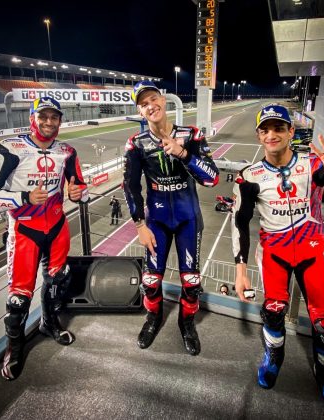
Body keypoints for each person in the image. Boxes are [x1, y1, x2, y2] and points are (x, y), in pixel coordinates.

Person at [231, 104, 324, 417]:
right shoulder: (249, 177)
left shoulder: (315, 165)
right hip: (274, 255)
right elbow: (239, 223)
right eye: (265, 129)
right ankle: (274, 358)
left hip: (312, 253)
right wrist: (240, 270)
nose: (271, 135)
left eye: (278, 128)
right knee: (273, 313)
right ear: (259, 135)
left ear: (290, 131)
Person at [0, 96, 89, 380]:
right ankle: (14, 348)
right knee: (18, 299)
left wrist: (79, 194)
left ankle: (49, 323)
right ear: (32, 119)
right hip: (24, 230)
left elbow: (81, 188)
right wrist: (24, 197)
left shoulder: (68, 151)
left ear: (60, 121)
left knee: (57, 281)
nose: (49, 122)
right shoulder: (7, 149)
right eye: (43, 116)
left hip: (58, 226)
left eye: (54, 117)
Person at [123, 81, 219, 356]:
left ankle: (186, 322)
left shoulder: (192, 135)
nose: (150, 106)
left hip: (189, 218)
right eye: (143, 104)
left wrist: (183, 153)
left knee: (191, 281)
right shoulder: (136, 143)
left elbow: (212, 178)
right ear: (140, 111)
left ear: (163, 101)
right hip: (156, 221)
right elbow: (130, 186)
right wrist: (140, 225)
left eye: (153, 99)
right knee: (151, 281)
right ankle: (153, 318)